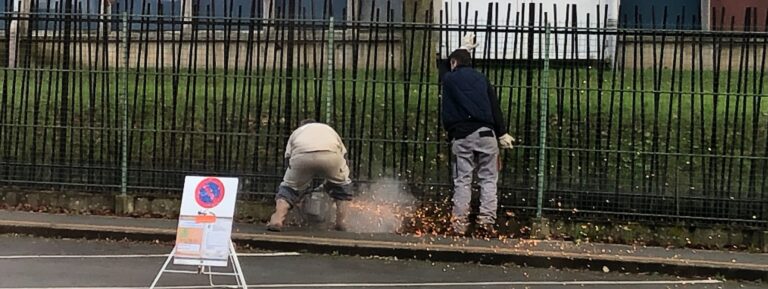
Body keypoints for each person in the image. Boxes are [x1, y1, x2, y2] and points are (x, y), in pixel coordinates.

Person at [441, 34, 515, 237]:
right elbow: (494, 106)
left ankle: (459, 225)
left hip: (462, 135)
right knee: (489, 179)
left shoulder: (450, 79)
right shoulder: (482, 79)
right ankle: (486, 223)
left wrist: (462, 47)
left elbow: (444, 68)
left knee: (463, 180)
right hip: (486, 134)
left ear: (454, 62)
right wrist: (502, 133)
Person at [266, 119, 353, 232]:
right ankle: (341, 222)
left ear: (302, 125)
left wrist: (294, 180)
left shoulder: (297, 132)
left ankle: (277, 220)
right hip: (330, 155)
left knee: (288, 188)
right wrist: (340, 177)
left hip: (302, 155)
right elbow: (344, 155)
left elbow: (288, 159)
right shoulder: (329, 129)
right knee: (342, 187)